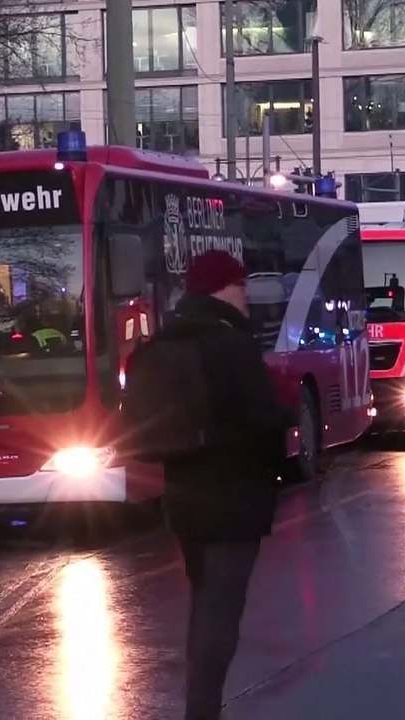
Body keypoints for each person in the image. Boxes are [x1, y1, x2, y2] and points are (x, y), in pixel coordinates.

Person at [157, 250, 296, 720]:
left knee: (204, 605)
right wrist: (287, 413)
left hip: (184, 501)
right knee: (222, 613)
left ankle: (201, 704)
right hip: (233, 501)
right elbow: (259, 419)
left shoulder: (171, 336)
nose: (247, 296)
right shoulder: (231, 343)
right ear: (220, 289)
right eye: (240, 287)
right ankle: (202, 712)